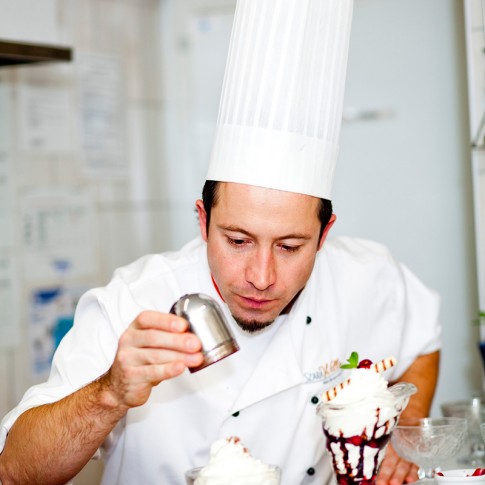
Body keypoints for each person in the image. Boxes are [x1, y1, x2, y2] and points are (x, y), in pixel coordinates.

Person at [0, 1, 441, 484]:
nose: (261, 275)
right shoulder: (132, 301)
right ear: (202, 219)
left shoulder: (365, 275)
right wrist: (109, 393)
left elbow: (423, 340)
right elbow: (16, 471)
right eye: (238, 240)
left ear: (325, 234)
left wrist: (405, 433)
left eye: (291, 246)